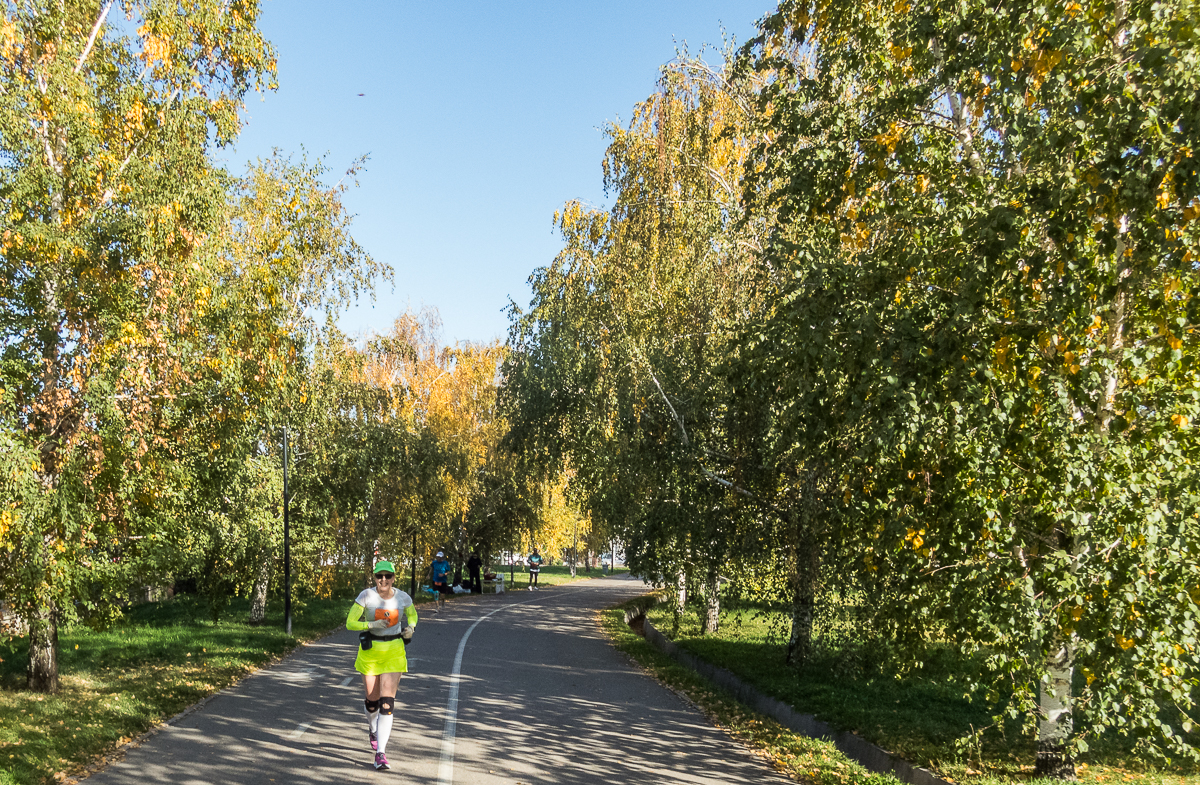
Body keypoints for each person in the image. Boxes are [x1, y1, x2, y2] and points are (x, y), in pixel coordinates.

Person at [345, 560, 416, 771]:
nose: (383, 580)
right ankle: (373, 729)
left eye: (387, 576)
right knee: (372, 702)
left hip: (394, 650)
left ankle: (380, 754)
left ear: (394, 577)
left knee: (387, 703)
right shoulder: (366, 596)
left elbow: (412, 615)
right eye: (379, 576)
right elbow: (350, 622)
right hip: (370, 652)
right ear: (374, 578)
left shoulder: (403, 597)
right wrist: (371, 624)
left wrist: (410, 627)